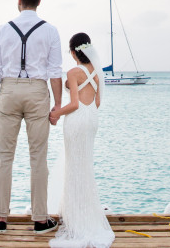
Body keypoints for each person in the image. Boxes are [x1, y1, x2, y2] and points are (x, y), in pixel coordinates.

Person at [0, 0, 62, 235]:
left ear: (19, 1)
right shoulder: (50, 30)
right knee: (38, 157)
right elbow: (55, 72)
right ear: (39, 1)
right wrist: (58, 105)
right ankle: (40, 220)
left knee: (4, 156)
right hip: (37, 91)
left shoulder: (3, 29)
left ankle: (1, 218)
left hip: (8, 91)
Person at [47, 32, 115, 248]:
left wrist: (56, 114)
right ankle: (86, 215)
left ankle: (76, 219)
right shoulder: (97, 72)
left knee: (74, 167)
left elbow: (74, 104)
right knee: (85, 166)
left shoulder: (74, 72)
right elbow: (96, 102)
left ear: (73, 51)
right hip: (92, 120)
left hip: (76, 121)